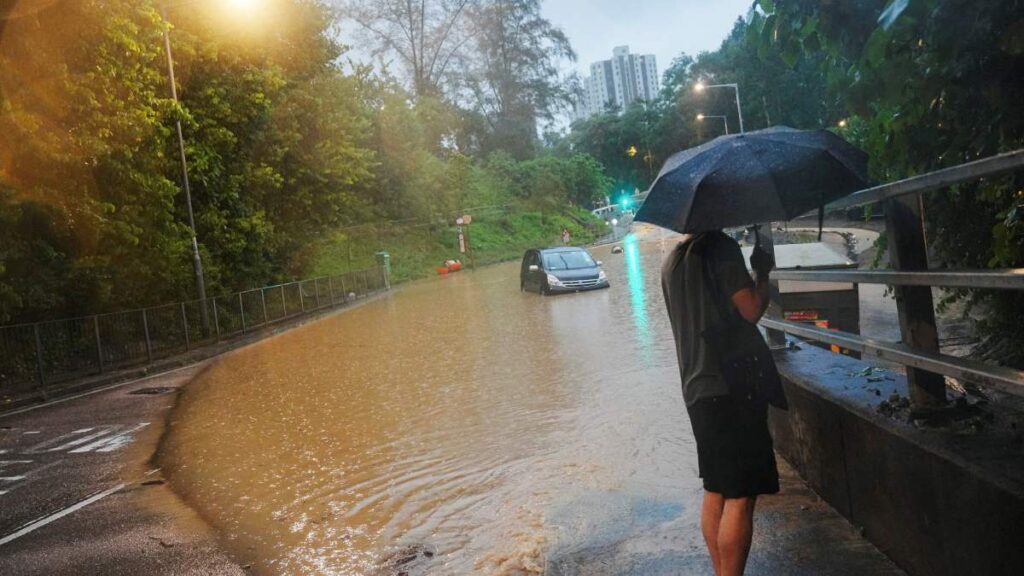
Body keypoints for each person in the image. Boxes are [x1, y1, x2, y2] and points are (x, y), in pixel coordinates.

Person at [660, 229, 777, 576]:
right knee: (740, 494)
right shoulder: (721, 249)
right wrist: (763, 273)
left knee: (716, 489)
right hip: (731, 388)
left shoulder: (672, 261)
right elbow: (751, 310)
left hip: (696, 389)